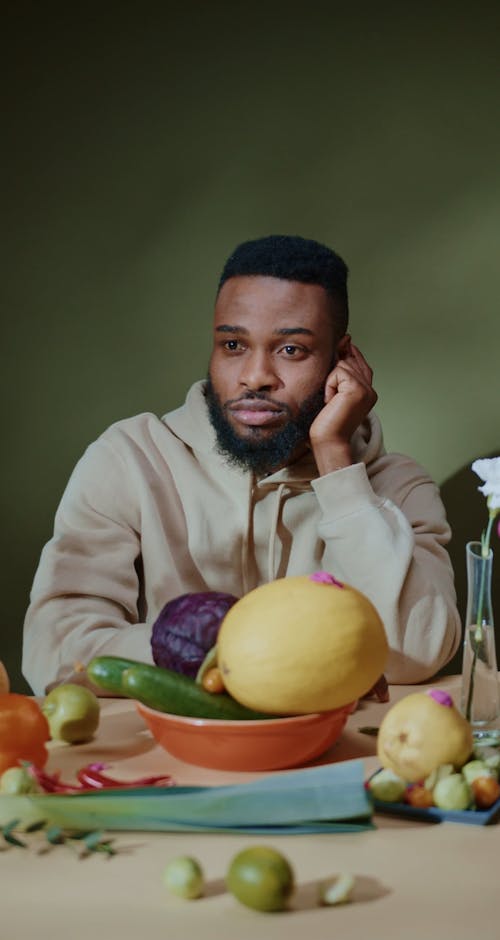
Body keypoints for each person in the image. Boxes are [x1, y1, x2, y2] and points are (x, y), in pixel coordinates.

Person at [22, 235, 461, 695]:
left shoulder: (397, 485)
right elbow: (56, 651)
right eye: (233, 344)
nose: (255, 377)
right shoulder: (130, 458)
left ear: (341, 358)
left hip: (336, 758)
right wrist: (243, 652)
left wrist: (336, 463)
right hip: (173, 756)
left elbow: (414, 652)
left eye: (291, 350)